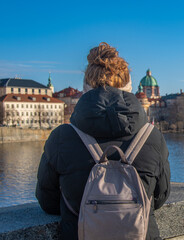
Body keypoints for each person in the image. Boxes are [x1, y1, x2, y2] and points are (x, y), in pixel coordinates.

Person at [36, 42, 171, 240]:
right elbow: (159, 198)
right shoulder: (152, 137)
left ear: (85, 88)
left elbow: (47, 202)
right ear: (130, 88)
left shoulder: (61, 137)